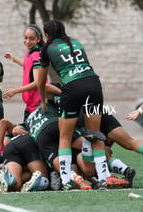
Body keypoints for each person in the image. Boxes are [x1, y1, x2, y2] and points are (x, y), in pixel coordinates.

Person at [36, 20, 110, 190]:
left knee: (65, 136)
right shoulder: (75, 42)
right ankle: (105, 176)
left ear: (46, 35)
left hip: (72, 86)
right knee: (95, 134)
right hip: (93, 83)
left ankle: (66, 179)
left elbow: (41, 81)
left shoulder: (46, 48)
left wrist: (42, 99)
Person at [3, 24, 45, 120]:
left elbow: (37, 82)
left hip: (37, 106)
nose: (27, 41)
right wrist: (14, 59)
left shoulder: (36, 55)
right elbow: (29, 67)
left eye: (31, 39)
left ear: (38, 39)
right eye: (25, 38)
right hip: (30, 105)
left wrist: (15, 91)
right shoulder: (30, 52)